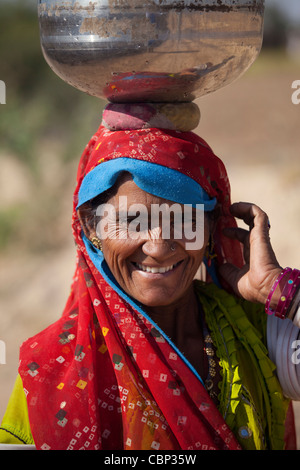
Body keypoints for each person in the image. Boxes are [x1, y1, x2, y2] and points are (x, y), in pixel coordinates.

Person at [1, 107, 300, 451]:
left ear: (211, 226)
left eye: (182, 218)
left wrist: (281, 292)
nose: (157, 247)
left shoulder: (253, 331)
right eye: (132, 221)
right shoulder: (53, 370)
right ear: (91, 227)